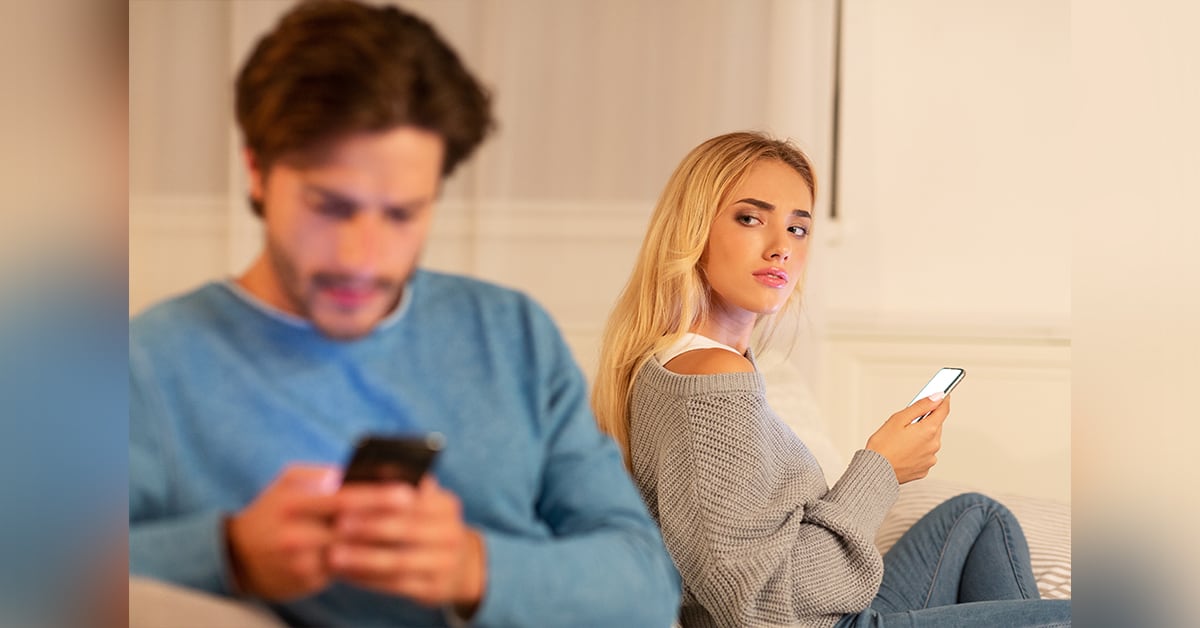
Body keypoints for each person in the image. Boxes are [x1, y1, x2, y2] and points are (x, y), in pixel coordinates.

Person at [128, 2, 681, 626]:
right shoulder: (152, 364)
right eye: (330, 207)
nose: (362, 259)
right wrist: (225, 554)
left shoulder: (511, 335)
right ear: (256, 171)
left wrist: (471, 568)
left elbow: (647, 586)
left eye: (402, 215)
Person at [592, 131, 1071, 627]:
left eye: (798, 229)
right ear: (692, 230)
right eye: (751, 218)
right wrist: (882, 468)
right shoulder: (712, 378)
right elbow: (756, 606)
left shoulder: (691, 363)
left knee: (975, 518)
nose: (781, 248)